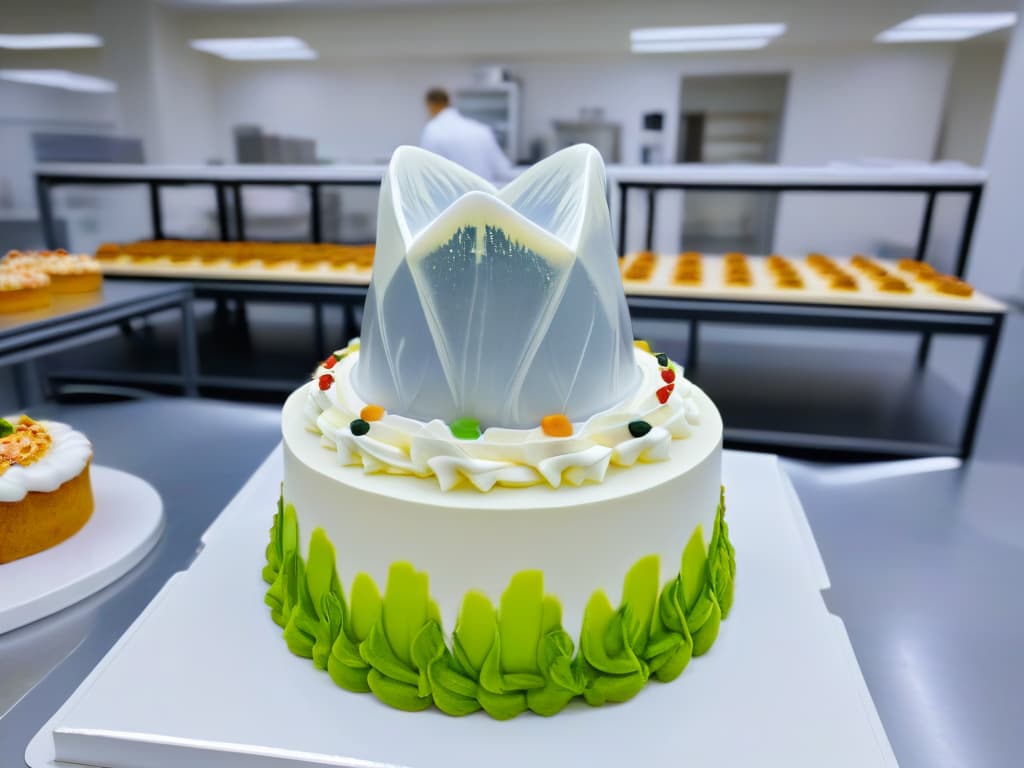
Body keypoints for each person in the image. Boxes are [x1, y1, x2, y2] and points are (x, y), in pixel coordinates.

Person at [420, 88, 513, 184]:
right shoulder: (481, 130)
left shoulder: (433, 131)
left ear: (430, 105)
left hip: (455, 197)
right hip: (486, 194)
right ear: (448, 102)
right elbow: (503, 171)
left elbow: (428, 173)